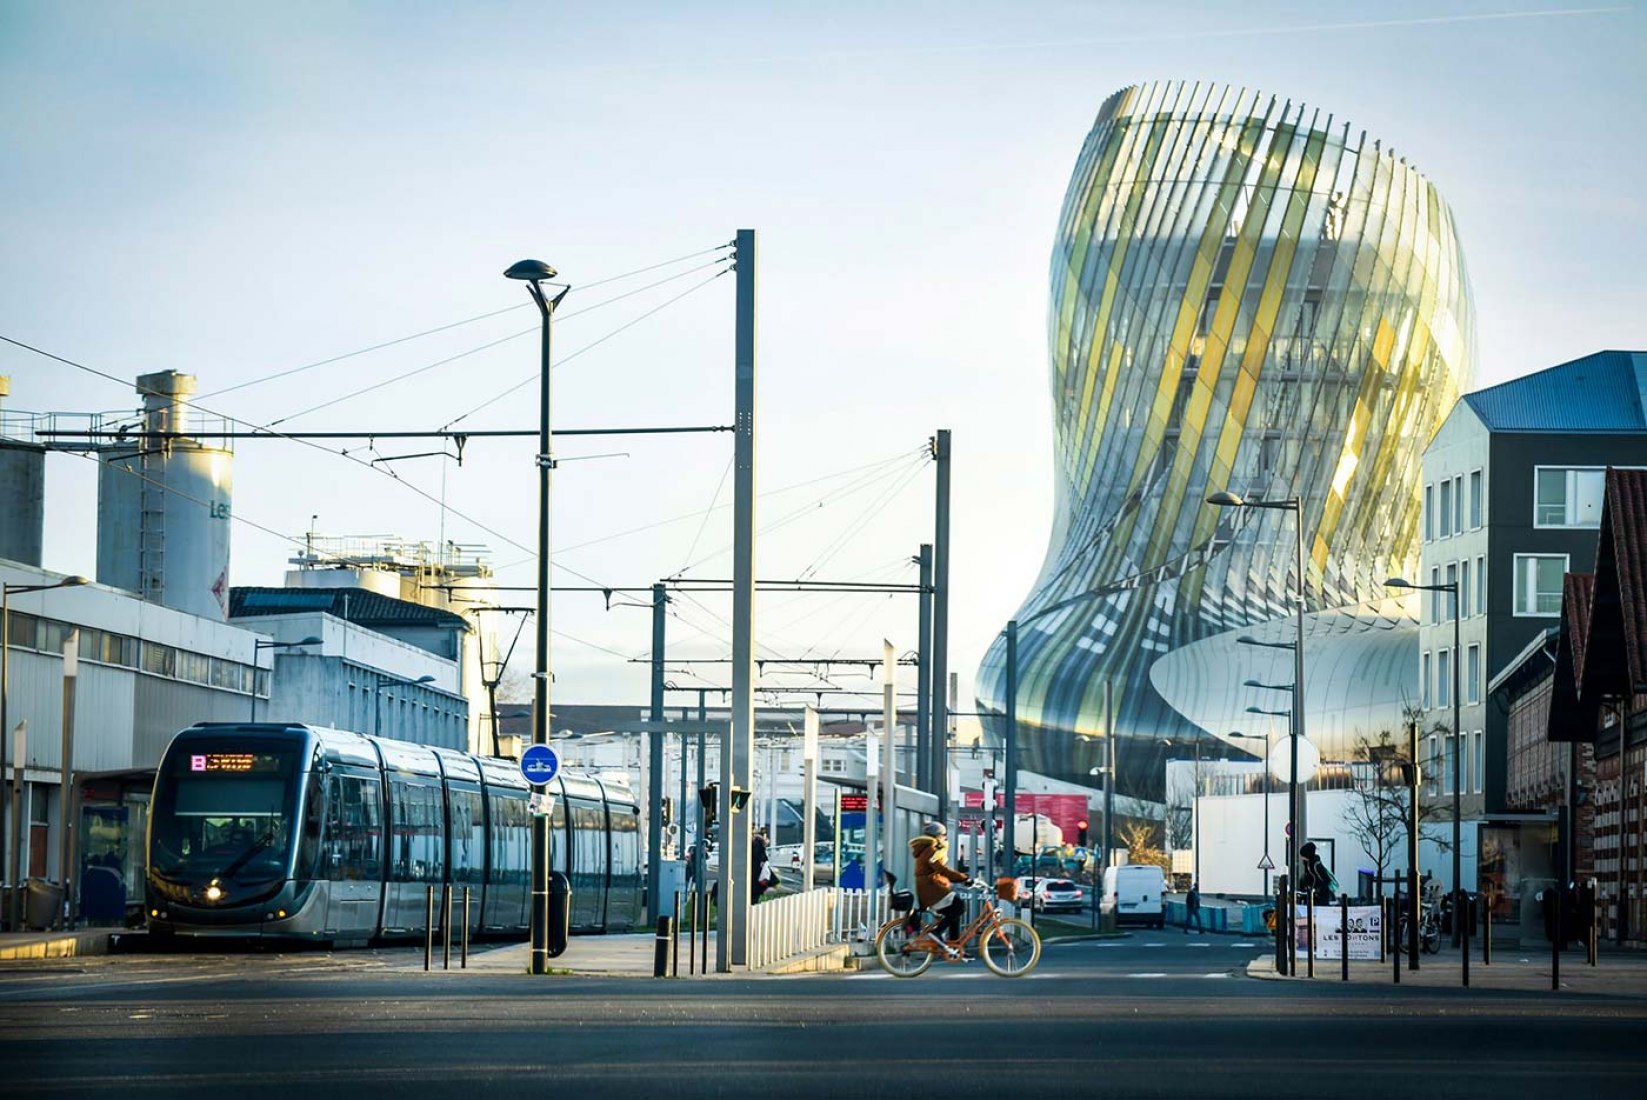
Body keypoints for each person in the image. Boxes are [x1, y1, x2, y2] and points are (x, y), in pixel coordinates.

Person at [908, 821, 970, 957]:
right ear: (936, 836)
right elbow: (942, 869)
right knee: (959, 906)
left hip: (932, 888)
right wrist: (963, 878)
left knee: (954, 912)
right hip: (930, 890)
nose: (945, 838)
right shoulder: (930, 850)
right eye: (943, 835)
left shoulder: (929, 848)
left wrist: (961, 878)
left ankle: (955, 947)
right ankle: (937, 932)